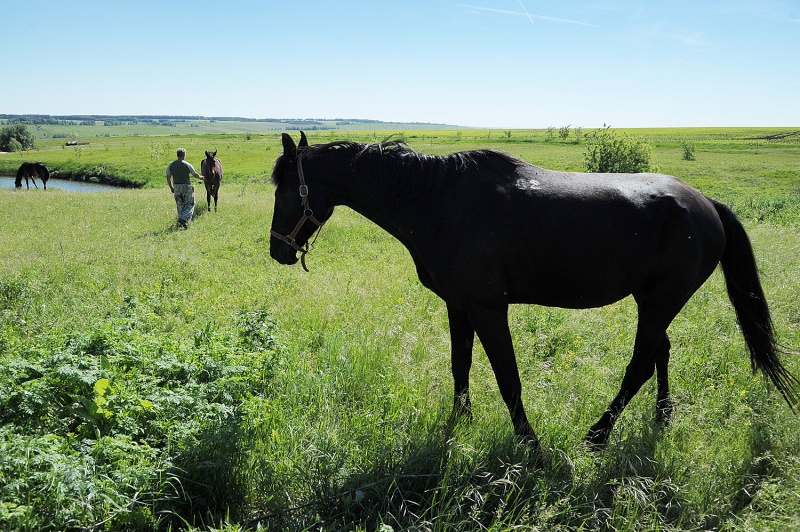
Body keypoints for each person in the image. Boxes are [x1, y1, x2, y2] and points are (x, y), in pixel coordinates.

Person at [166, 148, 204, 228]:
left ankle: (181, 222)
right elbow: (195, 174)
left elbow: (168, 177)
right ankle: (184, 219)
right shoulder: (187, 164)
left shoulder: (171, 164)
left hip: (176, 186)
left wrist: (171, 187)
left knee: (179, 204)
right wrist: (201, 177)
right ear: (184, 155)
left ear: (177, 155)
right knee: (190, 203)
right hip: (186, 186)